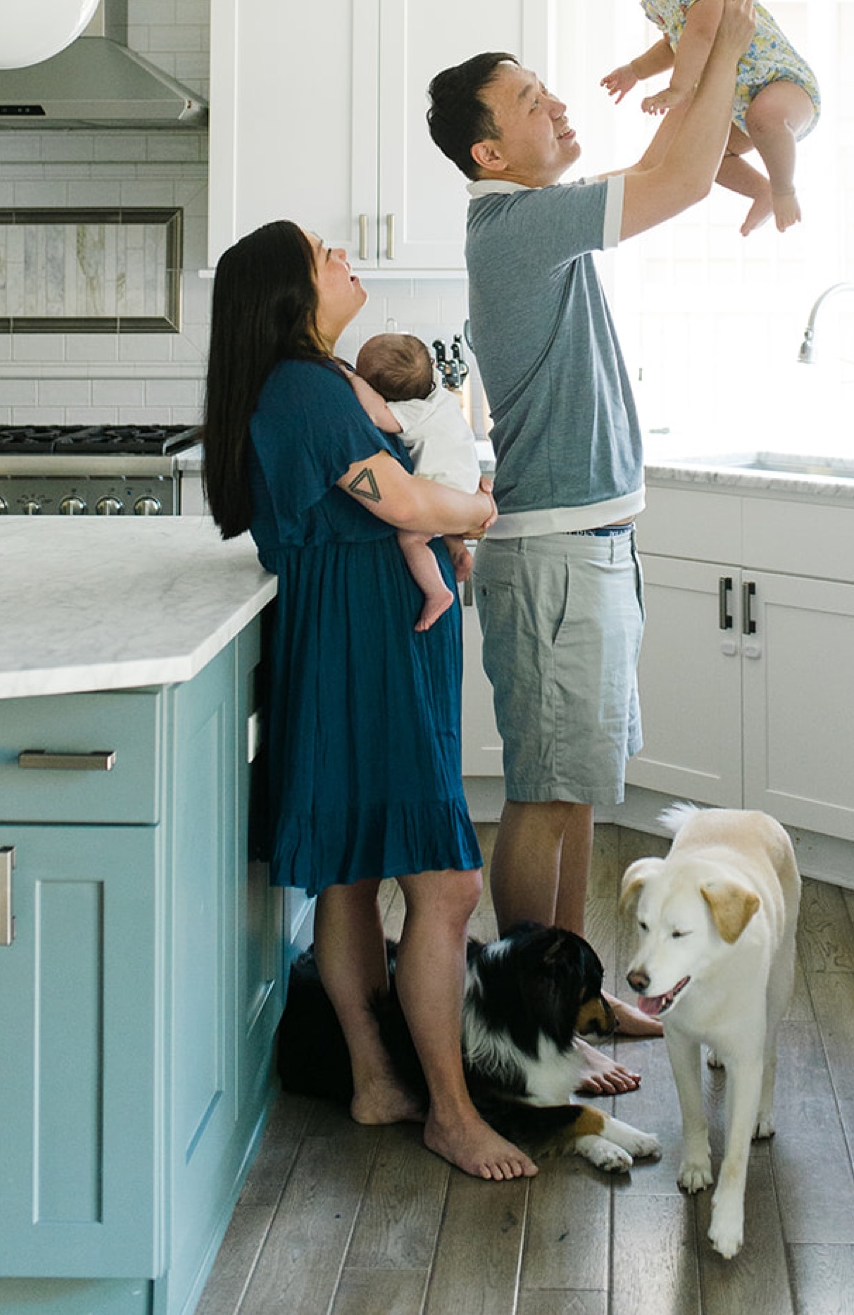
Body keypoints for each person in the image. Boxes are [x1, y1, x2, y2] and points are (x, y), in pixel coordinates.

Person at [425, 0, 758, 1089]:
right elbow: (682, 173)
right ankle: (534, 1031)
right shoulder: (516, 223)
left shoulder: (539, 224)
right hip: (560, 551)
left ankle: (573, 993)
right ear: (489, 154)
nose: (558, 106)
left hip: (595, 541)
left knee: (571, 790)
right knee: (541, 793)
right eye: (529, 101)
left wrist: (708, 55)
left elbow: (681, 172)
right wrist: (718, 40)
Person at [203, 222, 535, 1182]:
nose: (345, 255)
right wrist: (477, 510)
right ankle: (452, 1114)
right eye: (324, 253)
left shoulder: (305, 381)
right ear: (289, 292)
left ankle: (375, 1078)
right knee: (447, 884)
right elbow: (394, 499)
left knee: (351, 871)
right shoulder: (306, 387)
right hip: (367, 644)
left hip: (353, 632)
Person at [590, 0, 821, 234]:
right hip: (737, 103)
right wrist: (634, 70)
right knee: (704, 154)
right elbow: (674, 45)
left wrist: (679, 89)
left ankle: (783, 189)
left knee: (765, 117)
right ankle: (760, 190)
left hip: (780, 85)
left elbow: (702, 31)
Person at [349, 331, 482, 632]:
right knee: (445, 526)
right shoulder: (439, 395)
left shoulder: (412, 412)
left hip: (444, 491)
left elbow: (376, 414)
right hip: (464, 481)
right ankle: (459, 552)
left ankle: (437, 591)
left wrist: (351, 379)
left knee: (411, 539)